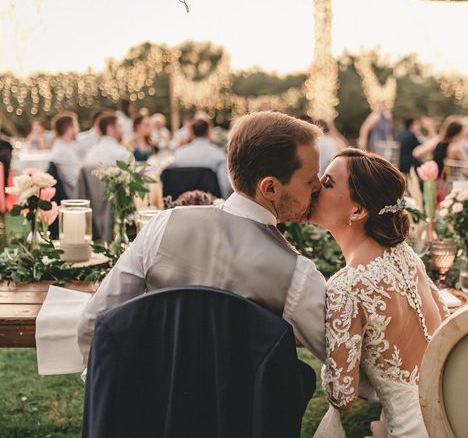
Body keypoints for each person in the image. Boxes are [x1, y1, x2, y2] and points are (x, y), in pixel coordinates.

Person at [77, 111, 327, 369]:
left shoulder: (163, 225)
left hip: (153, 404)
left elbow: (93, 323)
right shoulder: (296, 274)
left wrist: (108, 396)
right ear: (271, 188)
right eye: (310, 179)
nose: (319, 186)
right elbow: (346, 362)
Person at [309, 148, 448, 438]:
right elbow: (443, 317)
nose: (315, 186)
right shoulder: (404, 254)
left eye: (328, 182)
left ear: (358, 211)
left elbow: (342, 396)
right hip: (452, 409)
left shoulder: (345, 286)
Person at [171, 117, 232, 198]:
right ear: (208, 132)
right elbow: (225, 185)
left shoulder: (178, 154)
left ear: (191, 133)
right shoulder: (218, 154)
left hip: (182, 205)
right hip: (211, 205)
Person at [50, 111, 81, 197]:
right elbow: (74, 182)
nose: (78, 129)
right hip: (73, 198)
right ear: (69, 129)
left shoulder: (65, 146)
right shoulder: (62, 151)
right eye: (76, 125)